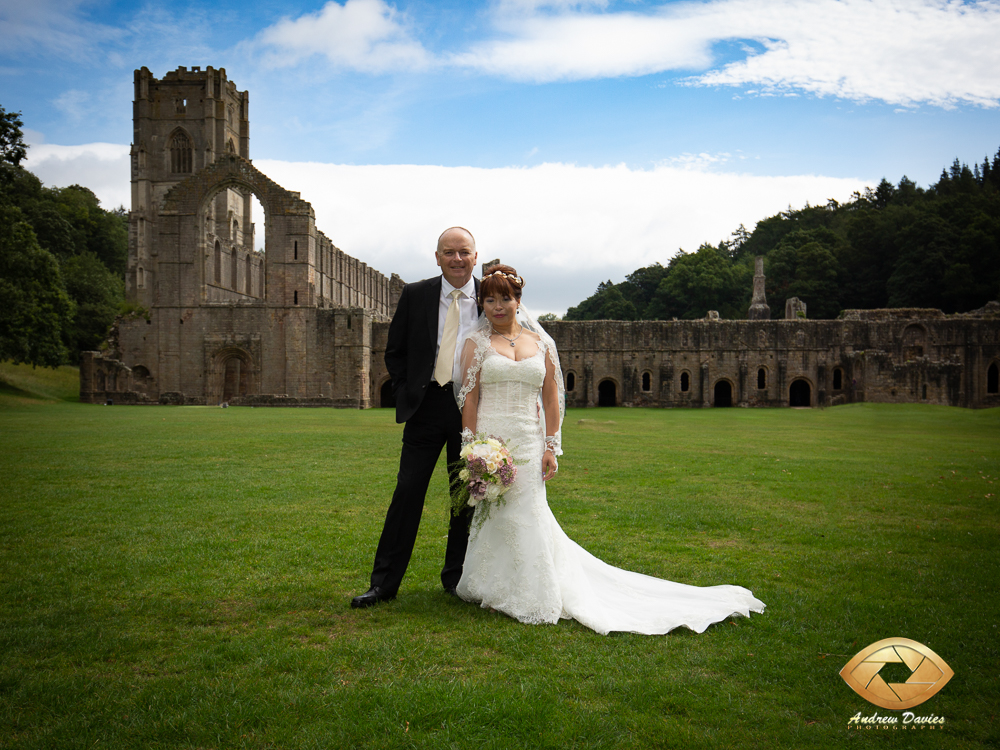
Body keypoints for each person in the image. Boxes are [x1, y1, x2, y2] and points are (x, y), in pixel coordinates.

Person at [453, 264, 766, 634]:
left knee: (528, 512)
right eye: (489, 299)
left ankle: (531, 590)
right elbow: (469, 398)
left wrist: (551, 445)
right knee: (494, 515)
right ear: (483, 304)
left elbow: (552, 398)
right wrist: (472, 447)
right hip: (493, 440)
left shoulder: (541, 344)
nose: (497, 306)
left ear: (518, 300)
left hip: (528, 438)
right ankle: (493, 587)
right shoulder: (476, 343)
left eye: (505, 298)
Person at [351, 228, 480, 608]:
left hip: (471, 409)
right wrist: (409, 388)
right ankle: (383, 584)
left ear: (476, 256)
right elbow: (395, 350)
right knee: (407, 493)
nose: (457, 259)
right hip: (424, 407)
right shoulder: (416, 294)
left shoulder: (489, 295)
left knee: (466, 497)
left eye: (464, 252)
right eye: (449, 252)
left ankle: (456, 580)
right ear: (437, 257)